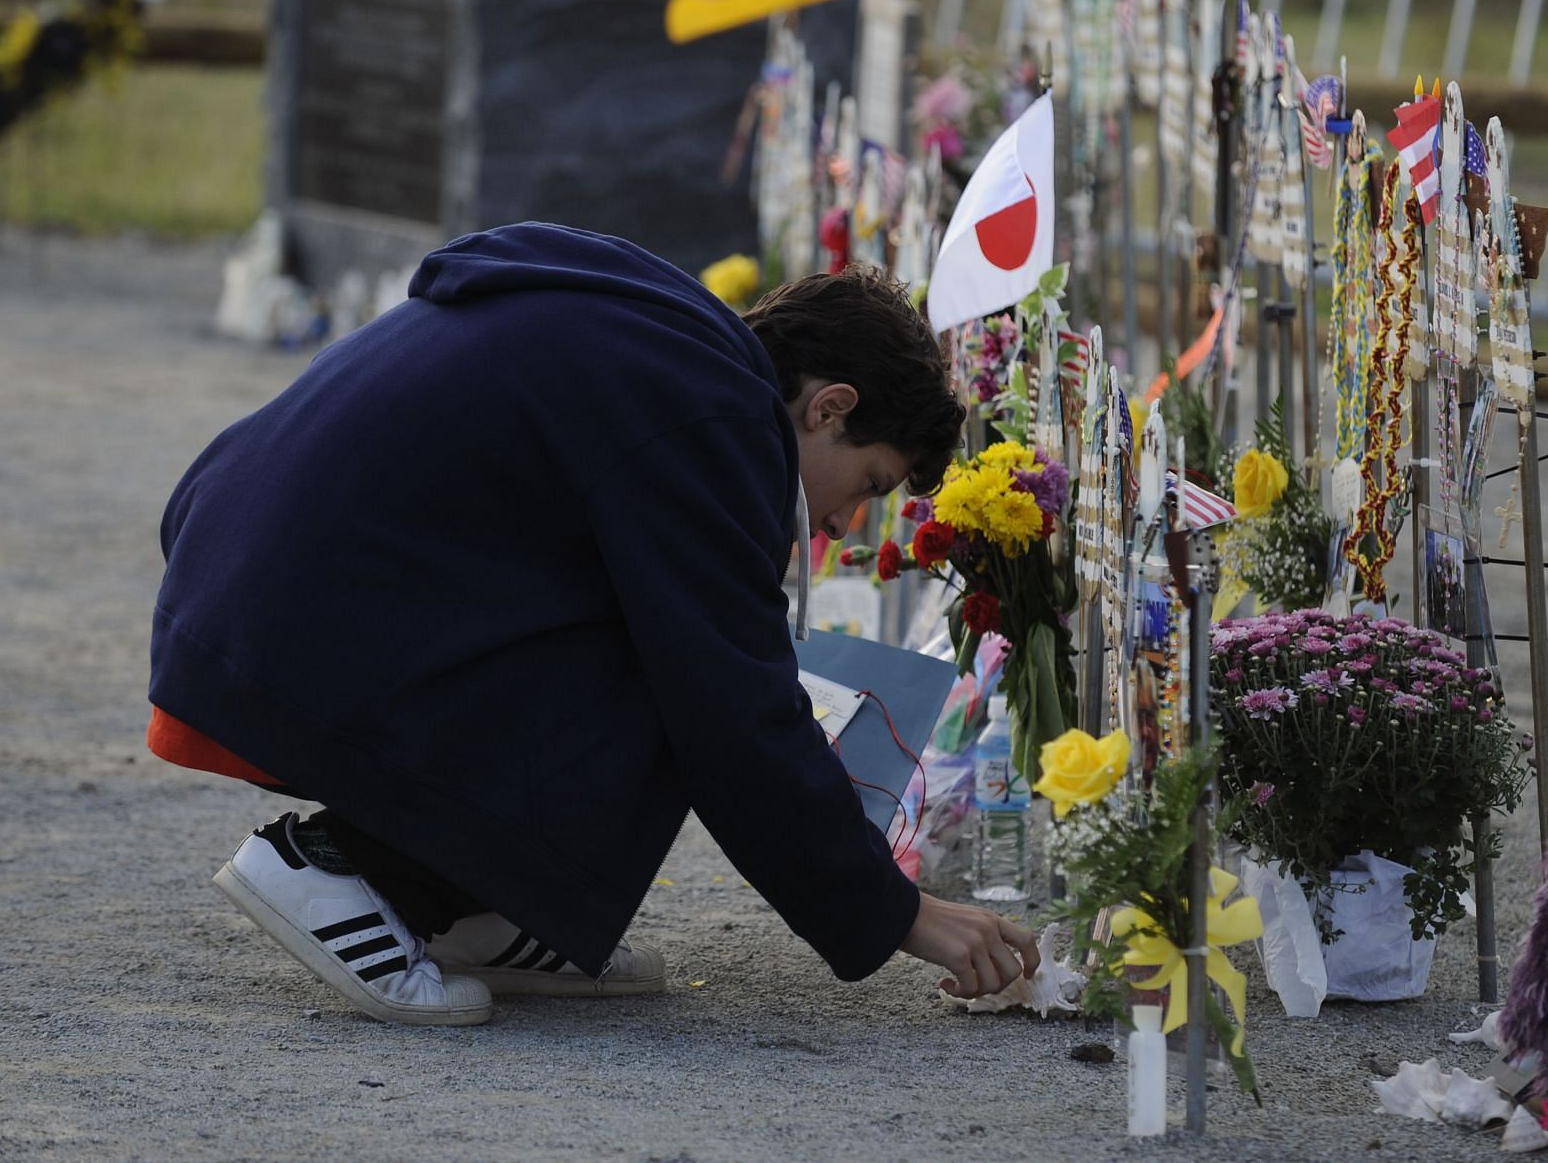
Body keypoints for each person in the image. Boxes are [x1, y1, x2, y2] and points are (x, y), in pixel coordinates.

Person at [147, 221, 1040, 1026]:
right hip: (286, 622)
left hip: (256, 586)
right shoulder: (712, 414)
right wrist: (900, 914)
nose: (847, 525)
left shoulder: (672, 349)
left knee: (659, 640)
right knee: (676, 672)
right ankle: (341, 867)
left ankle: (477, 904)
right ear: (830, 406)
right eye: (869, 486)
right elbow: (734, 710)